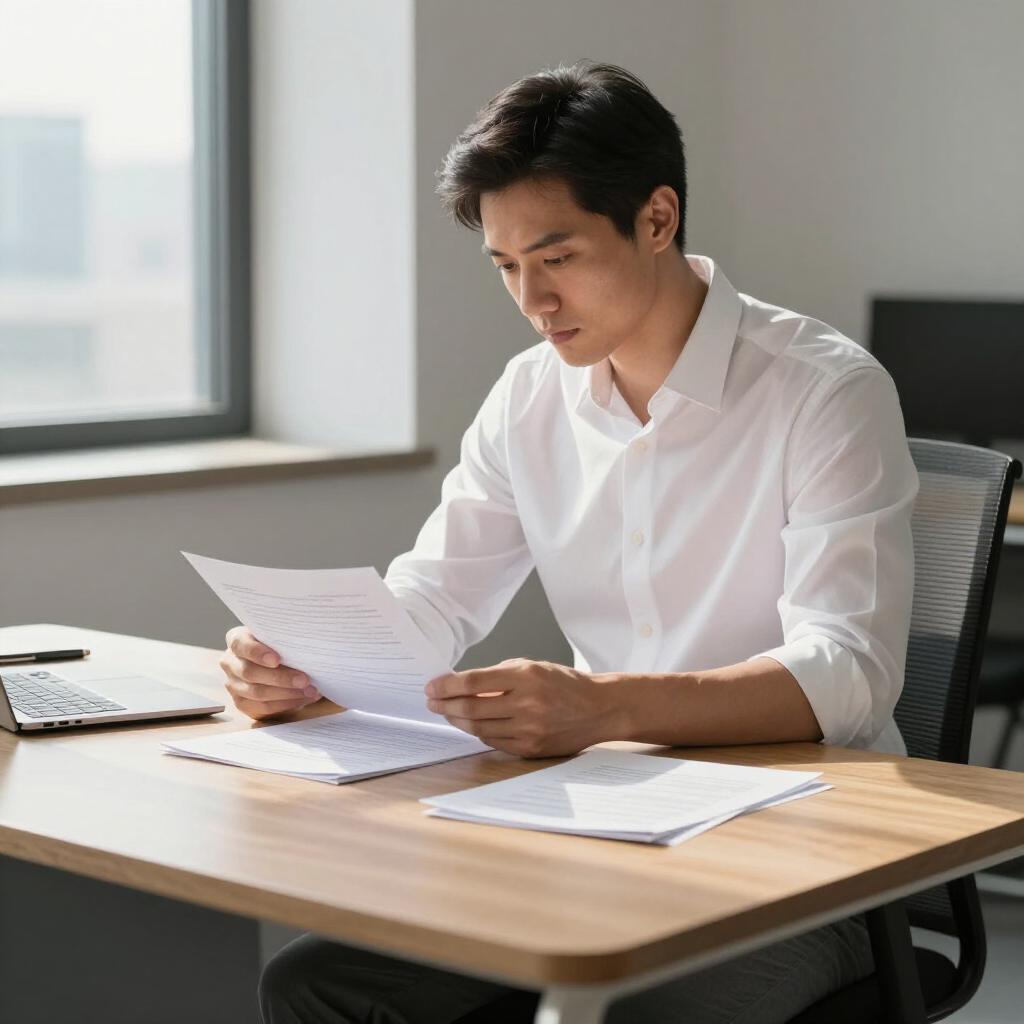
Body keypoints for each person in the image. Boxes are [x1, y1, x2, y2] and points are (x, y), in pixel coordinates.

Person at [222, 62, 918, 1024]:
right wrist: (309, 663)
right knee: (318, 984)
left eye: (557, 257)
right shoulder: (528, 396)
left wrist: (599, 708)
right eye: (507, 266)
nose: (531, 301)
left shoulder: (823, 390)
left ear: (658, 218)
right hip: (605, 816)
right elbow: (436, 598)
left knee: (634, 1012)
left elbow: (850, 678)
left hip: (811, 843)